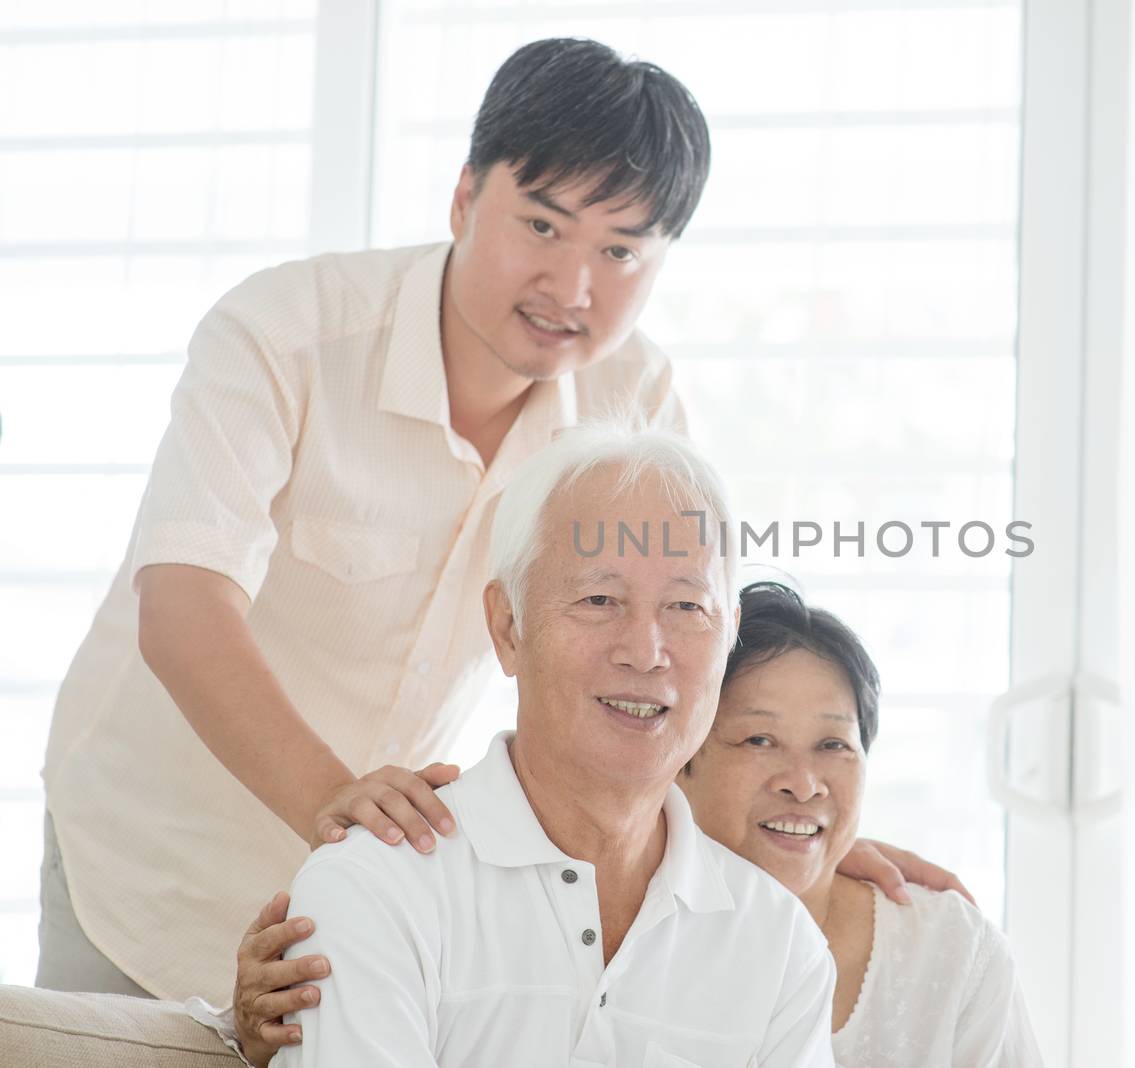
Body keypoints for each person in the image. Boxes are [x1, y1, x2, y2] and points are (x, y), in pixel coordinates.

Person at [37, 37, 953, 1005]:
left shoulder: (632, 399)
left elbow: (690, 644)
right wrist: (331, 804)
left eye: (620, 251)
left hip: (373, 892)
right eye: (544, 226)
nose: (573, 287)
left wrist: (796, 830)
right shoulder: (284, 334)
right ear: (465, 197)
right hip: (155, 862)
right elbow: (183, 603)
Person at [232, 579, 1041, 1067]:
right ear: (675, 750)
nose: (802, 782)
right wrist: (265, 1032)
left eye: (834, 745)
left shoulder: (944, 950)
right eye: (757, 739)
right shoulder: (498, 897)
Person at [275, 423, 835, 1065]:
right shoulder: (376, 886)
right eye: (599, 599)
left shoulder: (781, 943)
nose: (646, 653)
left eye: (686, 607)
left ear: (728, 633)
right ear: (507, 627)